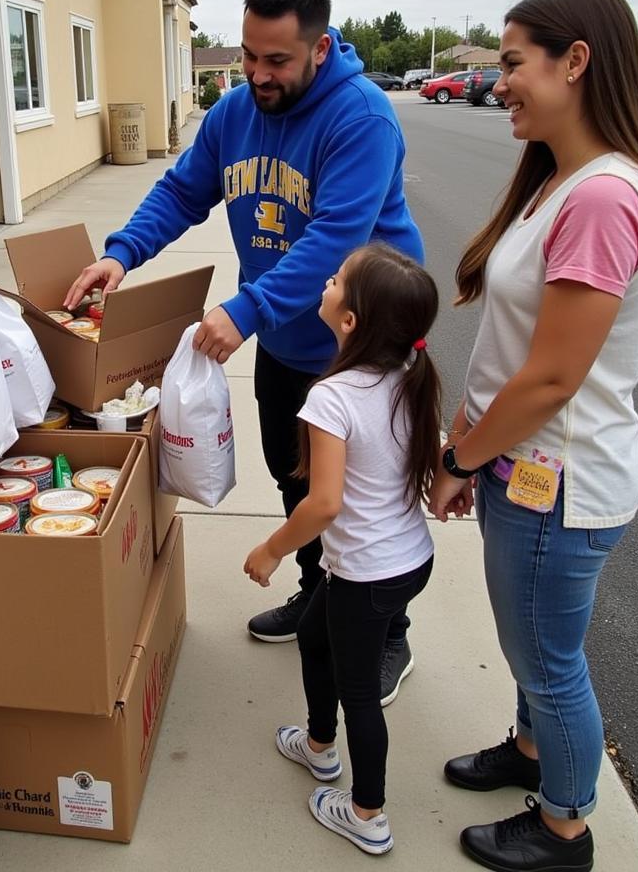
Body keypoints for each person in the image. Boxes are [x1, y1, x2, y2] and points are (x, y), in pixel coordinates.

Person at [65, 0, 425, 703]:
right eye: (248, 55)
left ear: (319, 48)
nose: (257, 73)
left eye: (277, 60)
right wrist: (120, 252)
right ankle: (316, 590)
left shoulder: (361, 118)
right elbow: (182, 191)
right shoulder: (234, 114)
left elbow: (336, 239)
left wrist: (246, 309)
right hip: (290, 339)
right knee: (296, 479)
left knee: (366, 506)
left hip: (365, 353)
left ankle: (389, 634)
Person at [428, 0, 638, 872]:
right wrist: (468, 442)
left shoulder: (604, 197)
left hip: (559, 481)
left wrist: (462, 453)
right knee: (534, 643)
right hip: (527, 468)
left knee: (547, 657)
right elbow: (509, 351)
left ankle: (564, 828)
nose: (497, 82)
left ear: (575, 62)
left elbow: (548, 378)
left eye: (510, 64)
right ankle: (532, 754)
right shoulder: (563, 182)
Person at [243, 243, 439, 855]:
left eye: (335, 280)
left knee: (359, 694)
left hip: (367, 572)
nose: (325, 282)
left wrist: (272, 549)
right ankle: (320, 749)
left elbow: (322, 503)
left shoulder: (332, 398)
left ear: (348, 320)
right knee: (312, 634)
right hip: (407, 560)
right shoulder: (409, 376)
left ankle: (367, 814)